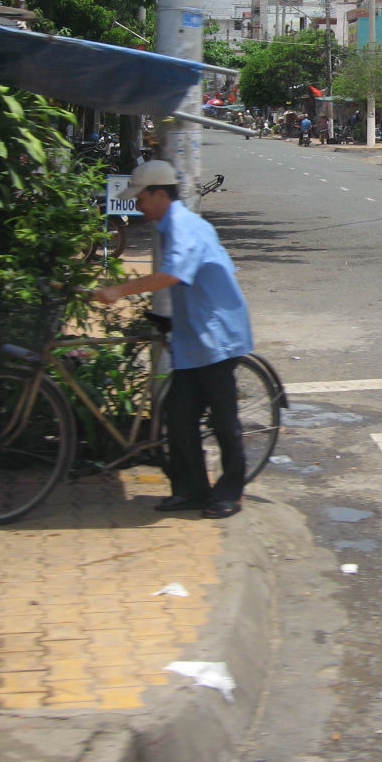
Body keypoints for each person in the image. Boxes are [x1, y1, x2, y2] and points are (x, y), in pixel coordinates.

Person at [92, 161, 254, 519]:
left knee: (224, 421)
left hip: (217, 336)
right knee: (178, 417)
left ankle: (230, 492)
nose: (138, 206)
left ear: (161, 194)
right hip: (194, 334)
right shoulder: (170, 225)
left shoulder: (183, 225)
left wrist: (118, 289)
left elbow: (172, 274)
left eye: (142, 198)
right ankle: (191, 490)